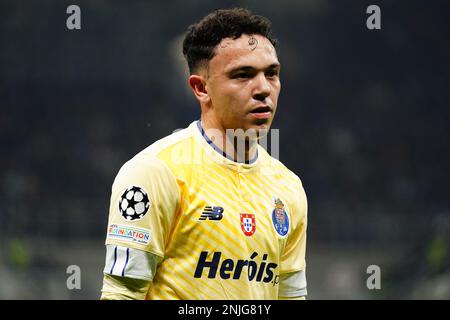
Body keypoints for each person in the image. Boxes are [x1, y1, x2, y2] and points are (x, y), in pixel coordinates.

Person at [101, 7, 308, 300]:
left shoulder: (288, 188)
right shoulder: (154, 172)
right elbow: (121, 295)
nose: (263, 88)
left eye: (271, 73)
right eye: (243, 75)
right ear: (201, 88)